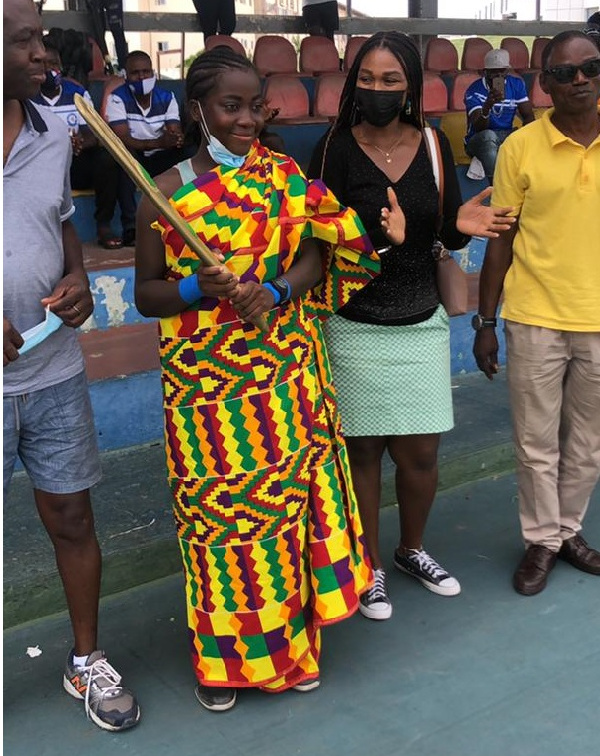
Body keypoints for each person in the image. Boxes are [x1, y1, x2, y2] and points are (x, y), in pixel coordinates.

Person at [134, 46, 400, 712]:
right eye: (231, 106)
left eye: (256, 105)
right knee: (222, 536)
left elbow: (322, 254)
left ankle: (295, 650)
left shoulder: (284, 176)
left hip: (284, 383)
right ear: (197, 109)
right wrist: (197, 285)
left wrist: (277, 292)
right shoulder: (161, 195)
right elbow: (147, 296)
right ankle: (224, 666)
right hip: (206, 401)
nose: (247, 119)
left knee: (285, 522)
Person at [307, 31, 514, 620]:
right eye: (367, 79)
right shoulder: (333, 150)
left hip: (420, 321)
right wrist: (376, 240)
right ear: (353, 85)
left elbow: (440, 231)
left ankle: (412, 550)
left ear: (411, 87)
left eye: (390, 80)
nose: (377, 90)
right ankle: (367, 567)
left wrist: (460, 226)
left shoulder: (429, 143)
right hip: (352, 326)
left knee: (421, 455)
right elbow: (314, 237)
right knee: (364, 455)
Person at [3, 0, 140, 732]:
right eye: (25, 41)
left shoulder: (53, 132)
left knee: (72, 515)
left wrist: (79, 279)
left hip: (52, 369)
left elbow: (60, 227)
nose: (44, 56)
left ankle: (86, 660)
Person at [473, 30, 600, 596]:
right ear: (544, 84)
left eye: (590, 68)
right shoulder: (520, 147)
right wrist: (484, 322)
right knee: (535, 439)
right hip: (534, 317)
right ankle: (542, 540)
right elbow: (499, 240)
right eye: (566, 72)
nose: (580, 80)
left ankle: (569, 531)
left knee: (587, 440)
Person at [32, 39, 123, 249]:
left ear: (61, 67)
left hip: (75, 162)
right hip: (42, 163)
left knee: (107, 160)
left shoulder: (77, 92)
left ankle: (103, 225)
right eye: (44, 64)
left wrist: (81, 141)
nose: (49, 69)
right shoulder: (29, 96)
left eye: (53, 64)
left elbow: (93, 134)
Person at [106, 49, 184, 246]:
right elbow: (121, 138)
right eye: (135, 73)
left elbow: (173, 132)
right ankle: (131, 228)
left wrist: (176, 139)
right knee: (124, 159)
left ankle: (185, 221)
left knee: (188, 155)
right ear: (125, 75)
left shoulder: (167, 97)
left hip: (159, 156)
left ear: (153, 73)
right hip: (135, 156)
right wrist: (159, 142)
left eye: (146, 72)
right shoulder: (117, 98)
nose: (142, 77)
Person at [464, 48, 535, 182]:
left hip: (506, 136)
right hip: (478, 139)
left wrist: (527, 139)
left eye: (501, 71)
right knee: (489, 136)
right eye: (493, 72)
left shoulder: (516, 84)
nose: (498, 76)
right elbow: (479, 128)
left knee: (530, 136)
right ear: (485, 72)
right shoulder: (474, 90)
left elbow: (529, 117)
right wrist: (487, 106)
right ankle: (497, 186)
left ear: (507, 71)